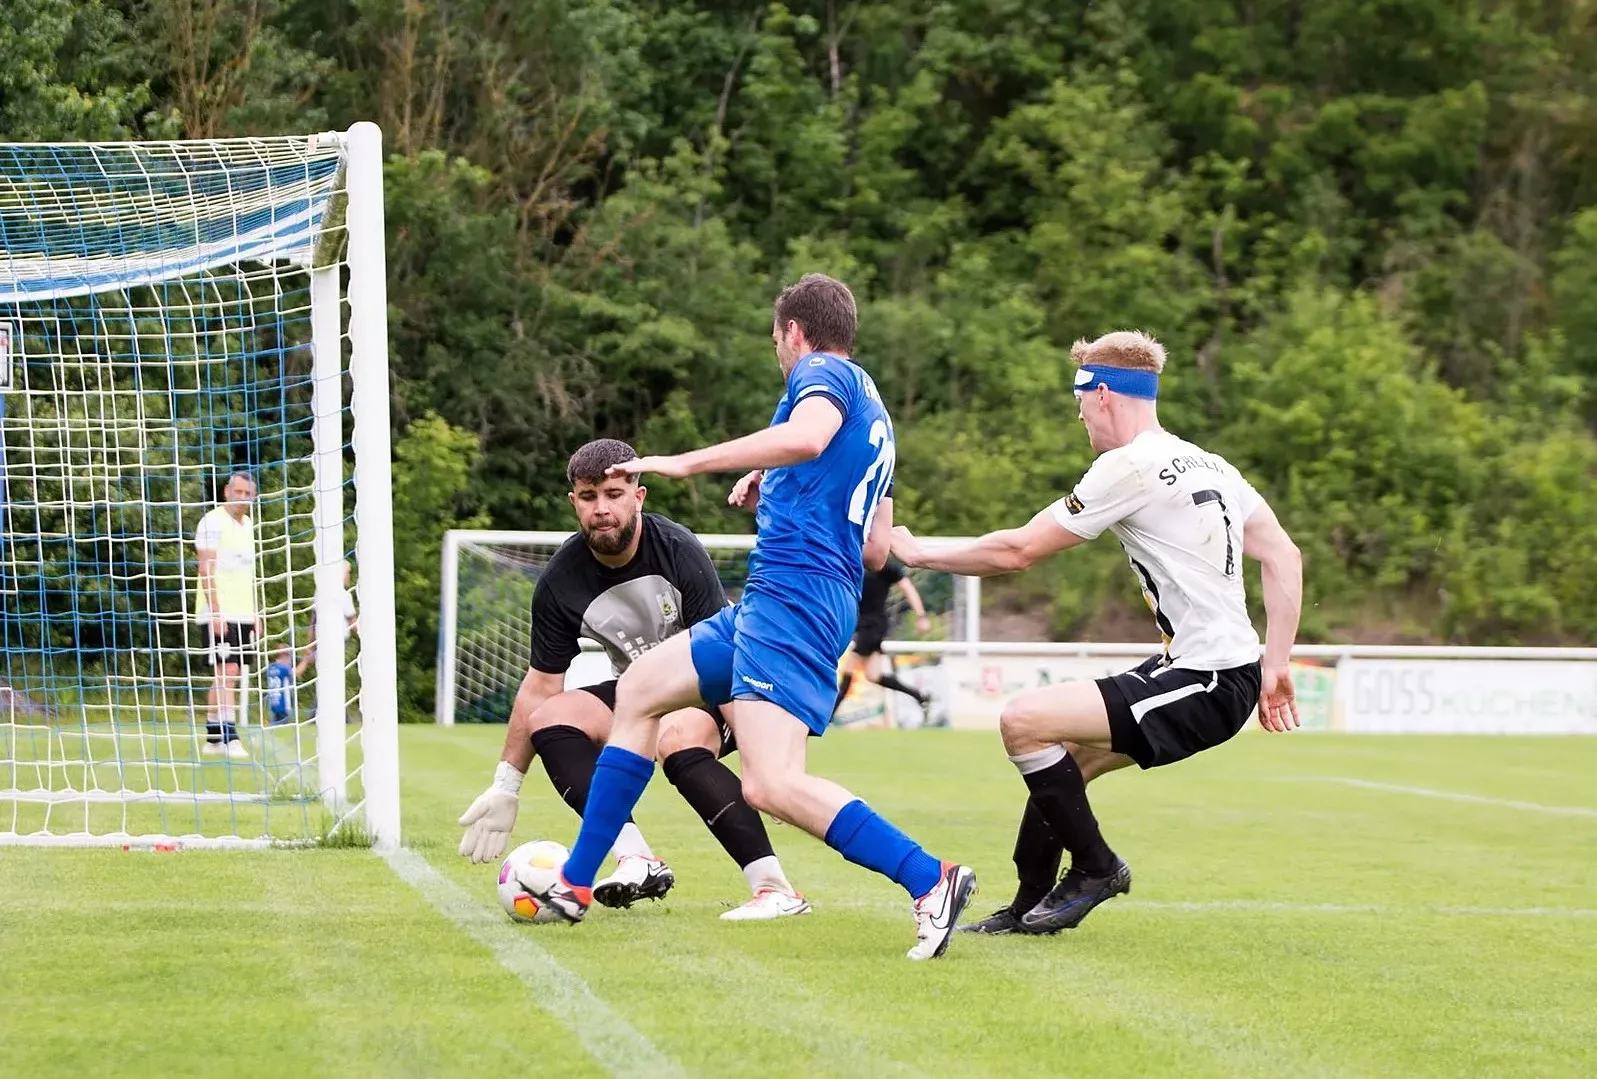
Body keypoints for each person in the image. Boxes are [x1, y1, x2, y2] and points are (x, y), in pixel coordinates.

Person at [537, 274, 977, 961]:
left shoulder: (823, 374)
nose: (778, 352)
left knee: (770, 783)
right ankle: (576, 881)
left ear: (793, 333)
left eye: (776, 340)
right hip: (778, 599)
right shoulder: (875, 415)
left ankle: (932, 878)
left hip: (794, 605)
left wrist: (691, 462)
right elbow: (872, 546)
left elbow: (805, 438)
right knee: (643, 686)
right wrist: (776, 481)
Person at [892, 330, 1303, 935]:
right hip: (1214, 670)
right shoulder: (1210, 463)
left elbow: (1018, 551)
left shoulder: (1128, 466)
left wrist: (918, 552)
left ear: (1102, 393)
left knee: (1023, 721)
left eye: (1080, 402)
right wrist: (1277, 662)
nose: (1080, 416)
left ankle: (1097, 866)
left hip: (1209, 679)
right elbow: (1284, 555)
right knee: (1065, 759)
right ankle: (1027, 906)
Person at [457, 439, 808, 920]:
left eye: (614, 494)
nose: (602, 509)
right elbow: (540, 684)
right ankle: (636, 858)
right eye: (588, 496)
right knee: (551, 717)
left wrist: (759, 762)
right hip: (643, 693)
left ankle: (774, 888)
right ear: (574, 502)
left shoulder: (678, 550)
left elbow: (731, 654)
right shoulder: (561, 579)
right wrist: (506, 785)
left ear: (638, 497)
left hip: (719, 685)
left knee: (679, 737)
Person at [193, 471, 262, 761]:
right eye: (239, 492)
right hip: (218, 612)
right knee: (227, 672)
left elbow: (249, 574)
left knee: (229, 673)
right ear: (226, 492)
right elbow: (204, 568)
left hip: (244, 611)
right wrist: (216, 612)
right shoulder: (211, 522)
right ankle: (230, 736)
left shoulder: (248, 526)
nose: (243, 499)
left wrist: (257, 612)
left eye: (248, 494)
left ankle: (212, 738)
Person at [831, 552, 934, 719]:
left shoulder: (884, 566)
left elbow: (907, 587)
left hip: (874, 626)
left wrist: (921, 616)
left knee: (849, 667)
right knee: (873, 675)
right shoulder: (852, 561)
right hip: (862, 625)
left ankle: (829, 716)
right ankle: (920, 696)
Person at [265, 648, 296, 726]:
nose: (289, 661)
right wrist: (305, 661)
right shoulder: (283, 668)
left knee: (276, 725)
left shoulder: (271, 668)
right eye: (288, 658)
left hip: (274, 703)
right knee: (283, 726)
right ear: (283, 657)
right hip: (283, 704)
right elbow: (296, 673)